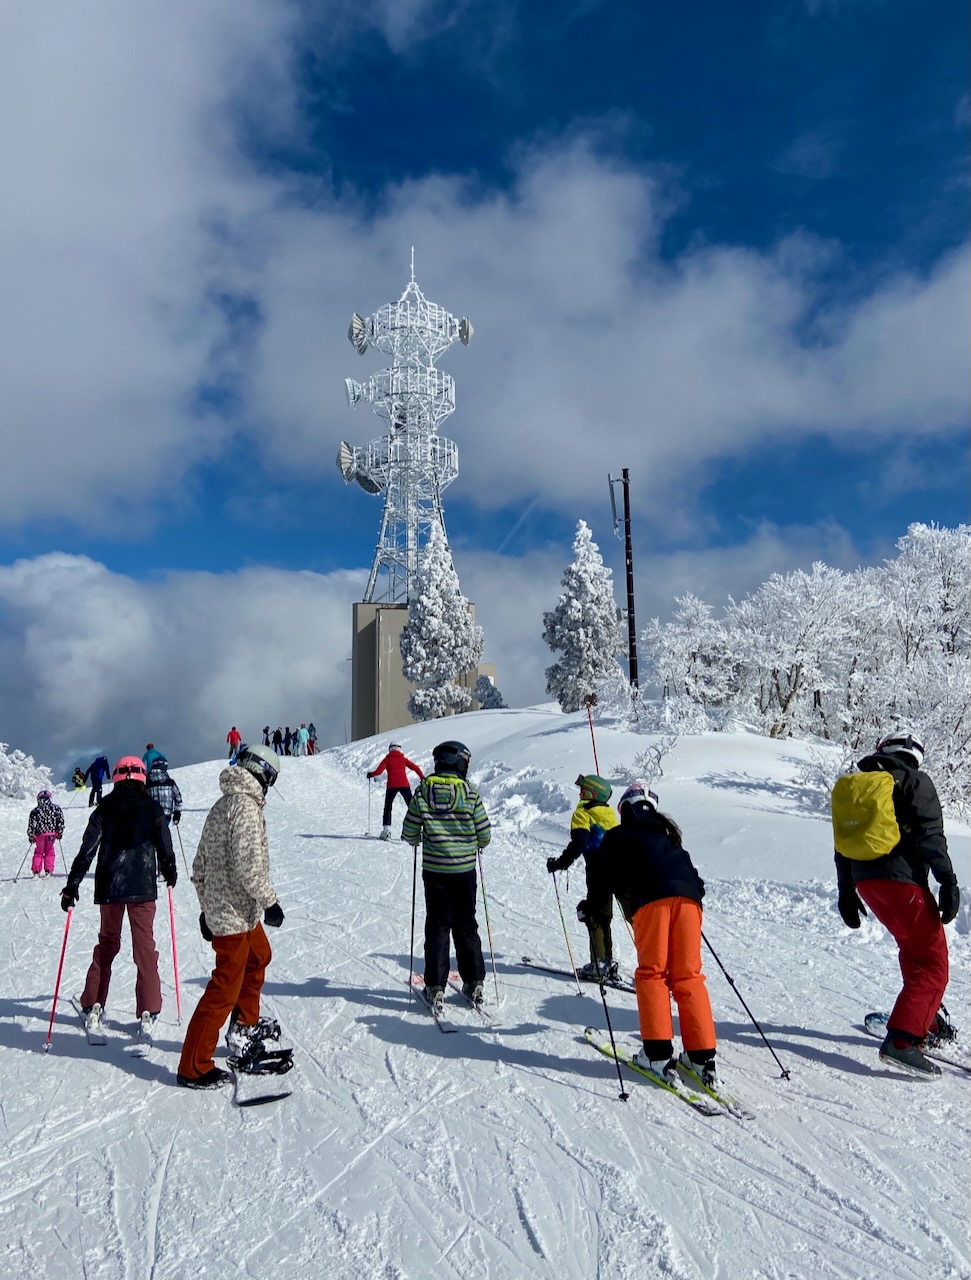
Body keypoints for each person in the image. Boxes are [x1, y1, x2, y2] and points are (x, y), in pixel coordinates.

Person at [835, 729, 959, 1079]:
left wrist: (846, 891)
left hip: (868, 884)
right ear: (915, 755)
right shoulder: (914, 781)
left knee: (914, 948)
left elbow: (841, 844)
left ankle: (926, 1019)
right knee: (934, 963)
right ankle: (903, 1040)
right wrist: (948, 881)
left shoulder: (860, 786)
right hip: (902, 884)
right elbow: (930, 835)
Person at [586, 782, 718, 1086]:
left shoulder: (618, 835)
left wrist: (591, 907)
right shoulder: (669, 837)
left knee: (653, 974)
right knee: (688, 976)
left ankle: (657, 1055)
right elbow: (697, 882)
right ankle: (701, 1059)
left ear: (625, 809)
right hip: (689, 903)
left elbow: (601, 877)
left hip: (652, 903)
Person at [176, 743, 285, 1089]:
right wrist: (270, 902)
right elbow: (250, 868)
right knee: (225, 987)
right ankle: (193, 1066)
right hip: (234, 916)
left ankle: (244, 1026)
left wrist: (206, 910)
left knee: (259, 956)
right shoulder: (246, 808)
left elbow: (199, 869)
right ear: (264, 775)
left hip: (233, 912)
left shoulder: (222, 805)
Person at [61, 756, 177, 1039]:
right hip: (142, 886)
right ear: (140, 777)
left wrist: (72, 885)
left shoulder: (105, 808)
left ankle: (93, 1003)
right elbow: (164, 843)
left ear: (116, 777)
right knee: (144, 946)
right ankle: (149, 1010)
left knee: (107, 943)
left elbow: (87, 849)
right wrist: (169, 870)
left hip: (110, 886)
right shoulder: (152, 808)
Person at [401, 740, 491, 1010]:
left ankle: (435, 985)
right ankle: (474, 981)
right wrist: (473, 841)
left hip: (435, 872)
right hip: (464, 872)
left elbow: (409, 832)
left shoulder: (423, 791)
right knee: (466, 925)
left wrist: (418, 836)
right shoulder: (470, 793)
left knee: (438, 926)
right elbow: (484, 835)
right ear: (459, 763)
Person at [545, 774, 620, 979]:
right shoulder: (608, 812)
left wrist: (560, 863)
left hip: (597, 869)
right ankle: (607, 961)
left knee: (592, 914)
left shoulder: (583, 812)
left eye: (583, 790)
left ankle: (599, 964)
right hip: (615, 870)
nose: (580, 793)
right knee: (604, 915)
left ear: (591, 792)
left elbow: (579, 842)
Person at [367, 742, 425, 840]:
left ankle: (386, 831)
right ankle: (419, 830)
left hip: (392, 786)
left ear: (390, 749)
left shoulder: (387, 759)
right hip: (404, 785)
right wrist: (422, 778)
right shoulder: (403, 759)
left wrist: (370, 774)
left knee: (388, 807)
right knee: (412, 807)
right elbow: (415, 768)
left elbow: (379, 771)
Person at [27, 789, 65, 876]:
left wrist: (31, 834)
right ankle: (48, 870)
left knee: (38, 852)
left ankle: (36, 871)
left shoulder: (35, 810)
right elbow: (60, 820)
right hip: (51, 834)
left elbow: (31, 823)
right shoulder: (56, 808)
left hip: (39, 834)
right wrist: (59, 831)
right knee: (49, 851)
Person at [146, 756, 183, 827]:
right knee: (163, 833)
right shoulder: (170, 783)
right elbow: (178, 799)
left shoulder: (148, 784)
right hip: (166, 815)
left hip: (151, 815)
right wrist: (177, 813)